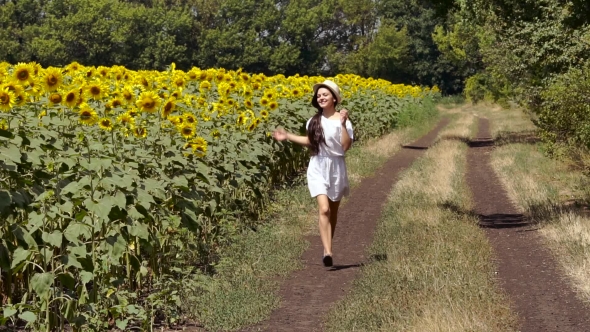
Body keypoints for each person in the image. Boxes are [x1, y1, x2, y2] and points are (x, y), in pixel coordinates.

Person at [272, 80, 353, 267]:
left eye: (325, 94)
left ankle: (327, 246)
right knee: (323, 209)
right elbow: (310, 141)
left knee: (333, 211)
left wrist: (342, 124)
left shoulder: (344, 121)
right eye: (319, 95)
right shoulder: (313, 121)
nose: (321, 97)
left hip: (337, 166)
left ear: (334, 98)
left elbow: (345, 146)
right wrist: (288, 136)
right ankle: (328, 252)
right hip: (317, 164)